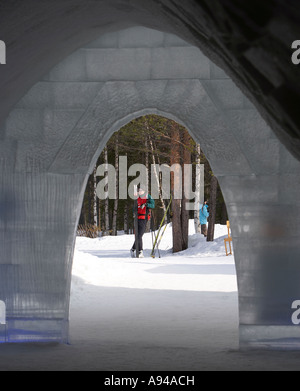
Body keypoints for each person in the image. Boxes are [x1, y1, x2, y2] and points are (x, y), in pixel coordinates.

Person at [131, 187, 155, 258]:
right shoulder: (136, 197)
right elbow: (134, 207)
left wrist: (146, 205)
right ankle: (137, 250)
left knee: (139, 235)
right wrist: (134, 213)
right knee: (137, 235)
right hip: (137, 218)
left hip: (144, 218)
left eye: (141, 190)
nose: (140, 191)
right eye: (139, 190)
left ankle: (136, 250)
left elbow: (153, 205)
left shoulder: (148, 197)